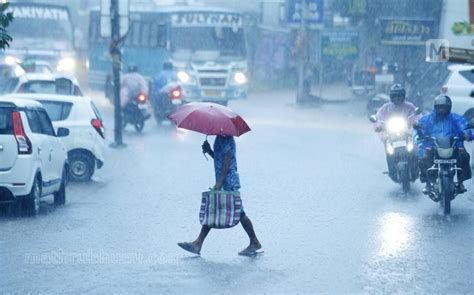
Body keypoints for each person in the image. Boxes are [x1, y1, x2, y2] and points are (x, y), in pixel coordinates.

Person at [178, 135, 262, 256]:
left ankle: (254, 241)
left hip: (228, 181)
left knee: (231, 211)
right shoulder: (220, 137)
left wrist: (220, 182)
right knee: (216, 209)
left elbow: (227, 161)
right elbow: (220, 159)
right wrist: (209, 151)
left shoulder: (226, 138)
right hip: (224, 180)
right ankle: (198, 243)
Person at [415, 95, 472, 194]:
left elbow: (464, 126)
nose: (441, 109)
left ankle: (461, 182)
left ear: (449, 107)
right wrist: (418, 134)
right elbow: (420, 128)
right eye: (439, 107)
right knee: (423, 157)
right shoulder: (428, 118)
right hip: (433, 145)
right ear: (435, 107)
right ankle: (428, 183)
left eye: (444, 107)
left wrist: (467, 134)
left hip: (454, 145)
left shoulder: (455, 118)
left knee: (464, 156)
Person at [374, 84, 418, 181]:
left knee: (415, 148)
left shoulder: (409, 106)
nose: (397, 98)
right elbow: (379, 117)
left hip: (407, 133)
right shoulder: (386, 108)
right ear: (391, 97)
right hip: (390, 134)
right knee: (389, 151)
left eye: (399, 96)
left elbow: (416, 115)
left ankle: (415, 168)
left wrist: (416, 122)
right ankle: (392, 171)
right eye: (394, 96)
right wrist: (378, 125)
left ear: (403, 96)